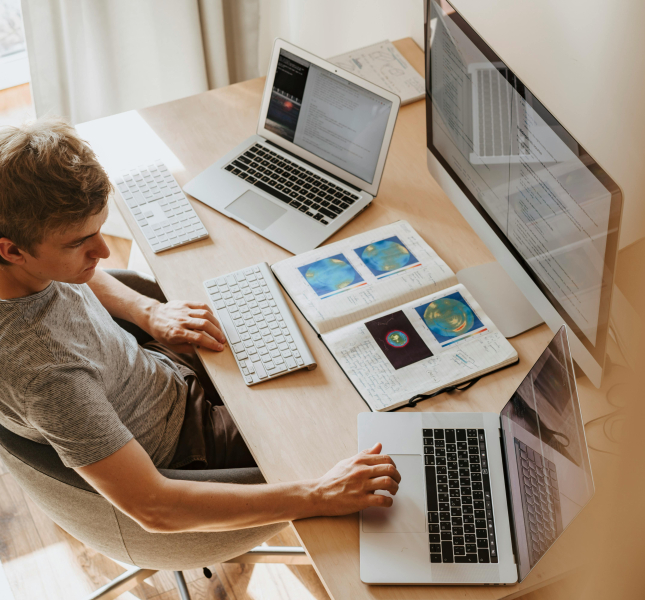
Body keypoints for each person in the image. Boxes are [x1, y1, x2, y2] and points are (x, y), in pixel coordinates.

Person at [0, 118, 400, 533]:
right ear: (12, 251)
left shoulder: (24, 265)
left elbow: (71, 273)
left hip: (157, 373)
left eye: (99, 231)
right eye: (80, 243)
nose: (102, 252)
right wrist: (318, 495)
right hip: (189, 447)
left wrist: (147, 312)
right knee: (360, 427)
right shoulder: (48, 379)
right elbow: (154, 507)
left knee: (309, 335)